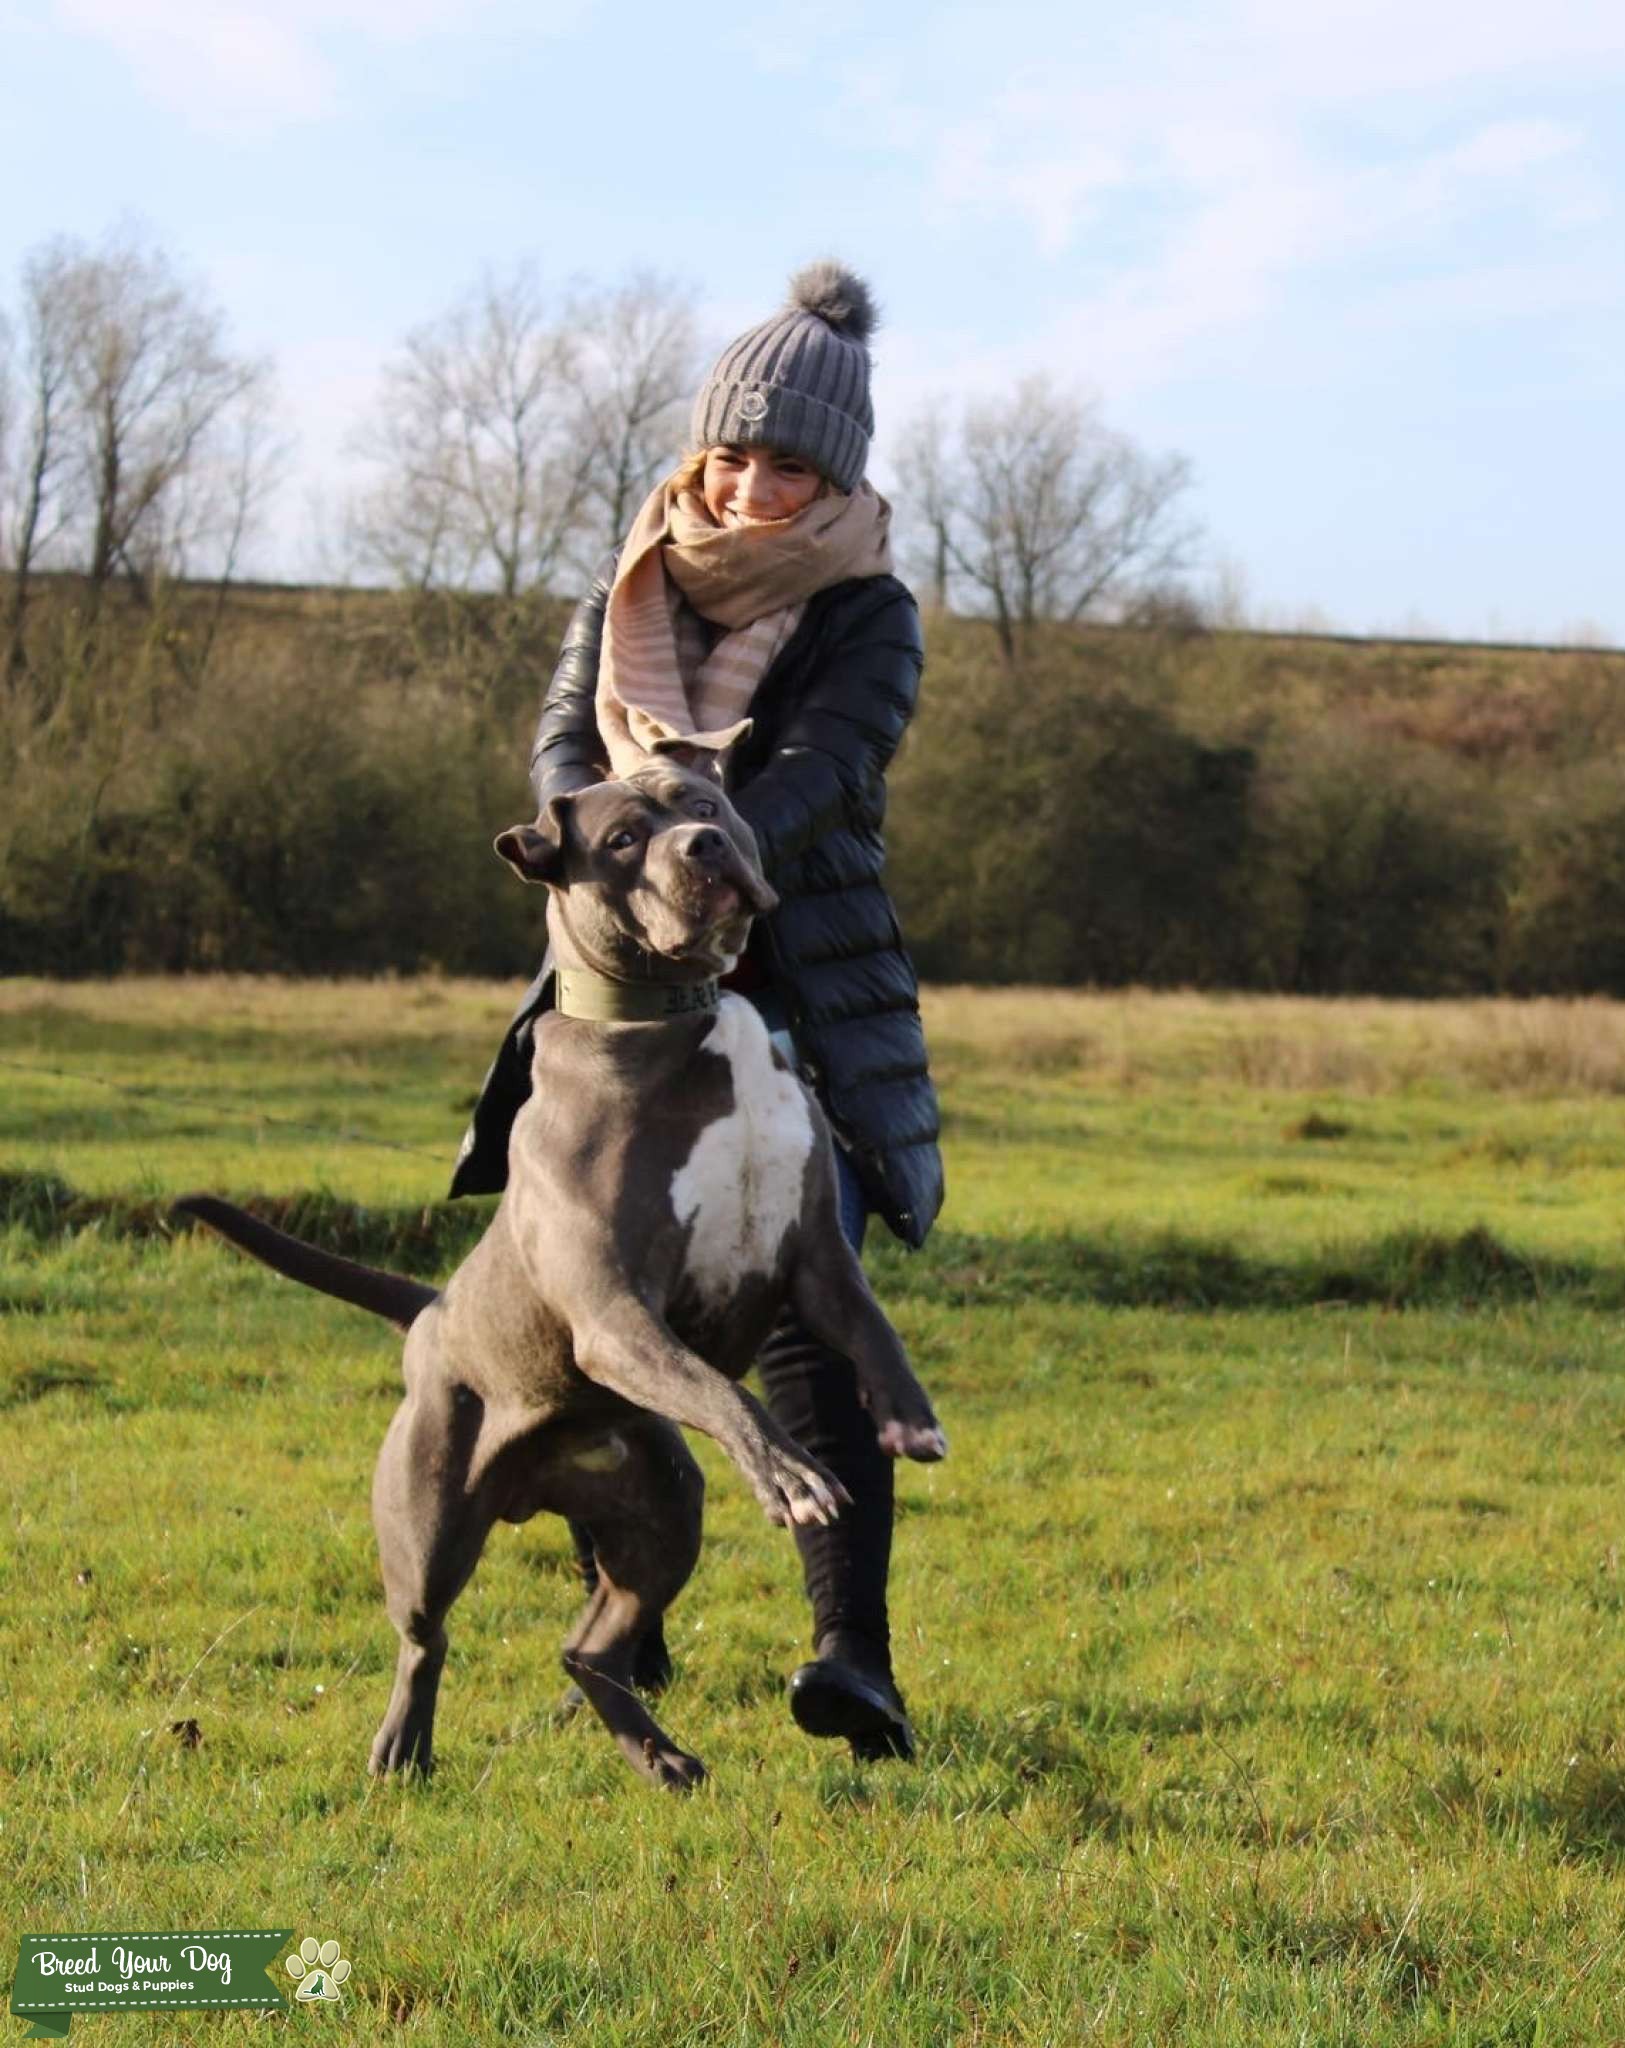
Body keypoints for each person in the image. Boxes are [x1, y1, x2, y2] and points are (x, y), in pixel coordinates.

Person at [452, 261, 943, 1762]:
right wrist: (589, 855)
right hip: (617, 1000)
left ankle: (852, 1657)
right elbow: (559, 746)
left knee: (811, 1299)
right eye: (733, 452)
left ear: (835, 479)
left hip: (795, 994)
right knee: (595, 1306)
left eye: (786, 464)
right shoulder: (632, 582)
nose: (749, 483)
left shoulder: (868, 614)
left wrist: (690, 844)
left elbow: (819, 779)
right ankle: (632, 1612)